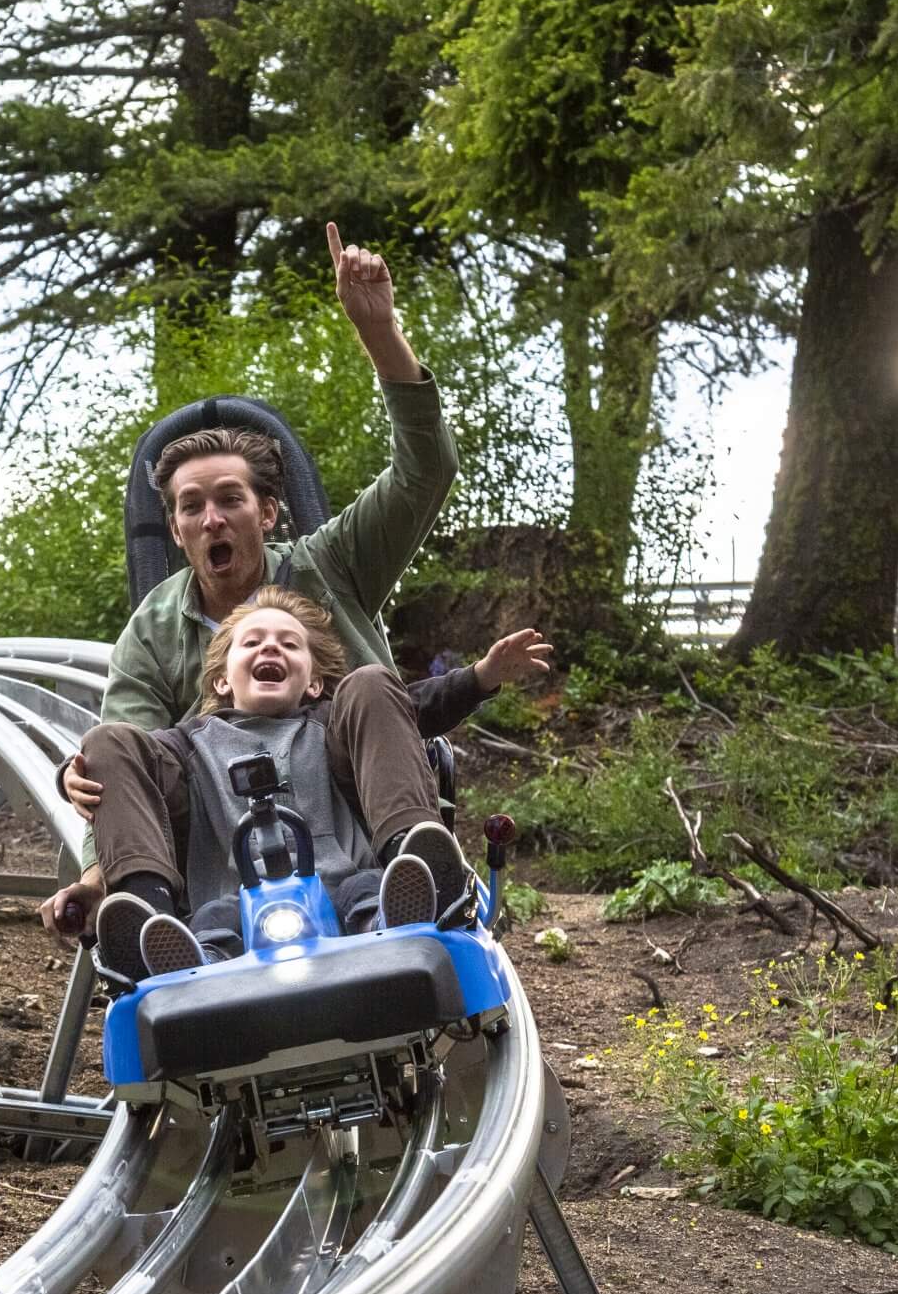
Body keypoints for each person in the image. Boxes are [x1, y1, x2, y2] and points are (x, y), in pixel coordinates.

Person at [43, 223, 554, 940]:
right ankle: (147, 916)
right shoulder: (154, 633)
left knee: (373, 684)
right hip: (222, 850)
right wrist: (99, 860)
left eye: (230, 500)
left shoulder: (330, 564)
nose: (212, 519)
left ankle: (416, 865)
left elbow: (424, 474)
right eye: (192, 507)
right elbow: (132, 762)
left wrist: (379, 331)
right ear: (176, 528)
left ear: (269, 512)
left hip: (352, 816)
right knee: (106, 738)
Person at [65, 588, 473, 982]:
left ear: (313, 683)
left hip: (342, 888)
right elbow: (122, 759)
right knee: (107, 739)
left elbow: (410, 704)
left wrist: (479, 678)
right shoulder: (185, 746)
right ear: (222, 681)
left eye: (290, 644)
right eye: (253, 642)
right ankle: (153, 924)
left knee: (371, 682)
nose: (270, 648)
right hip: (231, 904)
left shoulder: (332, 724)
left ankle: (412, 878)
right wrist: (74, 769)